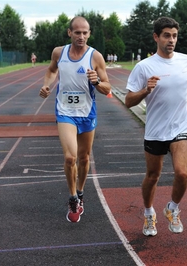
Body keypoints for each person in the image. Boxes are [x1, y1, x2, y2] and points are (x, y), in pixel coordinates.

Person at [125, 17, 187, 236]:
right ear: (156, 37)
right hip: (156, 130)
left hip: (180, 126)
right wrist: (145, 91)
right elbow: (129, 101)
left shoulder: (186, 60)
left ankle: (172, 208)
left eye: (175, 36)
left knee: (183, 174)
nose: (171, 40)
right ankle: (149, 213)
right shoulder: (144, 67)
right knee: (153, 175)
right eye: (167, 35)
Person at [38, 16, 111, 223]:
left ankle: (80, 192)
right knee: (70, 158)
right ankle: (72, 197)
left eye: (85, 32)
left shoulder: (95, 57)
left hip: (87, 113)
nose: (81, 36)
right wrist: (47, 85)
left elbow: (107, 88)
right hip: (65, 111)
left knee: (84, 157)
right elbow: (52, 70)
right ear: (69, 33)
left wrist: (96, 81)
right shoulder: (59, 53)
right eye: (77, 32)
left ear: (89, 34)